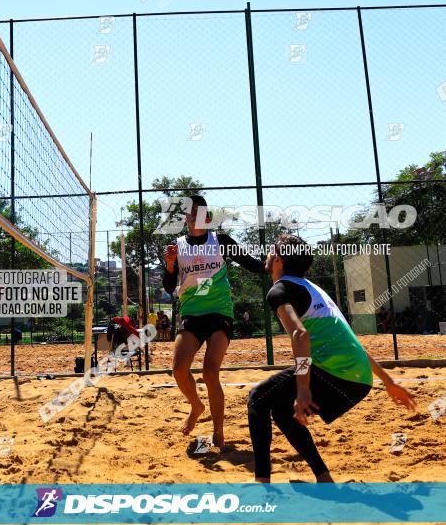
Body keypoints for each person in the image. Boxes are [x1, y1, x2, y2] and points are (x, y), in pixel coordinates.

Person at [248, 234, 415, 483]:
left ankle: (261, 481)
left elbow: (300, 334)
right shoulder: (313, 288)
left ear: (279, 260)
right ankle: (323, 477)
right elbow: (351, 341)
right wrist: (388, 381)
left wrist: (302, 388)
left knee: (257, 399)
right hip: (359, 381)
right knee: (283, 411)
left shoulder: (279, 290)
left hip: (336, 375)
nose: (268, 255)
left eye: (272, 251)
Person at [163, 194, 265, 449]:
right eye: (189, 212)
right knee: (178, 369)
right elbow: (168, 287)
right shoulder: (177, 247)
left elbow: (252, 265)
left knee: (210, 372)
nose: (192, 215)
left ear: (207, 217)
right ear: (186, 218)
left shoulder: (220, 241)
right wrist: (169, 265)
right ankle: (196, 406)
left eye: (198, 211)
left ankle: (218, 431)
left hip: (219, 313)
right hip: (191, 313)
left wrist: (276, 265)